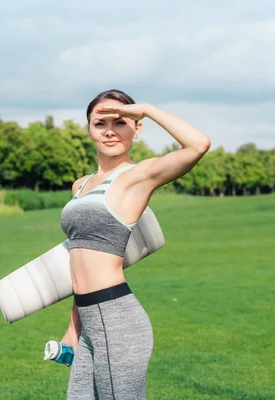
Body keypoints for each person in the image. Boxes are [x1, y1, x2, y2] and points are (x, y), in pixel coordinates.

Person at [59, 89, 211, 399]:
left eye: (121, 122)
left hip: (118, 321)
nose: (110, 131)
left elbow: (199, 144)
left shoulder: (137, 177)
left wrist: (146, 109)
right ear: (89, 129)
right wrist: (74, 328)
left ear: (137, 128)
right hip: (89, 321)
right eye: (100, 123)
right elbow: (80, 258)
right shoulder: (81, 185)